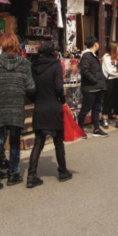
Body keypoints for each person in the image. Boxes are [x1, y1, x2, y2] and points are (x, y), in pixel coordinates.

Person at [0, 33, 36, 193]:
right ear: (17, 45)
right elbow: (30, 87)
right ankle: (13, 173)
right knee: (14, 141)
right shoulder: (25, 64)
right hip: (16, 106)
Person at [27, 41, 72, 188]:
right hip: (53, 106)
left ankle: (31, 175)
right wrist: (63, 100)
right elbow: (59, 88)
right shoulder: (55, 66)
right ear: (52, 52)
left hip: (39, 106)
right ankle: (62, 171)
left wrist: (35, 99)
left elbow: (30, 89)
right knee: (58, 142)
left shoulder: (32, 66)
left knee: (38, 143)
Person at [78, 37, 108, 138]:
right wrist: (94, 80)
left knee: (96, 109)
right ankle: (79, 130)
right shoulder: (87, 55)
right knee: (85, 110)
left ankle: (96, 129)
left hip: (97, 87)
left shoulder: (92, 55)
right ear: (96, 44)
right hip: (90, 88)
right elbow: (84, 71)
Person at [101, 43, 118, 129]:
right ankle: (105, 119)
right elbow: (110, 70)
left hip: (117, 79)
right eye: (117, 49)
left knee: (117, 100)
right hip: (109, 80)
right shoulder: (106, 58)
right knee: (108, 100)